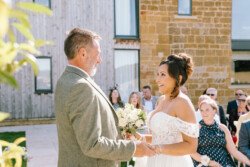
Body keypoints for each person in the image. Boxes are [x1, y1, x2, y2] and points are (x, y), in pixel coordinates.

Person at [54, 28, 156, 167]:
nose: (100, 60)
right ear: (83, 53)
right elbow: (92, 144)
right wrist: (134, 148)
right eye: (98, 54)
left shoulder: (65, 80)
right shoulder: (81, 87)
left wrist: (118, 134)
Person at [140, 53, 199, 167]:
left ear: (178, 78)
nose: (157, 79)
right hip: (155, 161)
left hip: (174, 162)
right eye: (157, 74)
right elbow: (161, 137)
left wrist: (159, 149)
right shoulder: (161, 100)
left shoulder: (182, 102)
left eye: (162, 75)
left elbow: (191, 146)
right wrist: (140, 137)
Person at [191, 99, 250, 167]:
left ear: (214, 111)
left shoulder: (223, 128)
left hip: (224, 163)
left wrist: (248, 162)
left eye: (207, 110)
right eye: (202, 110)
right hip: (204, 163)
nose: (204, 113)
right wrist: (209, 162)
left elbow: (234, 151)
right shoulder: (196, 128)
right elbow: (192, 152)